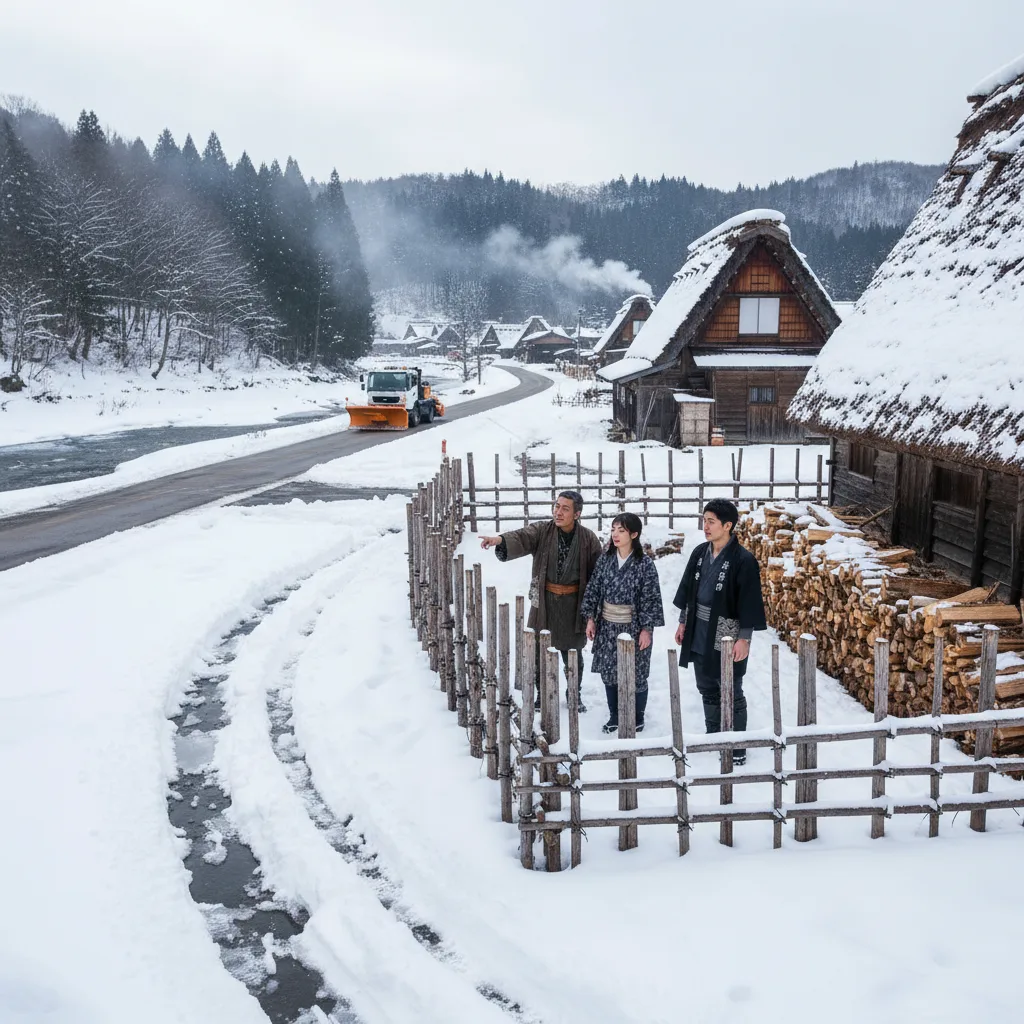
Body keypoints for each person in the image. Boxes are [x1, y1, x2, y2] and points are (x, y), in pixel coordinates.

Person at [480, 490, 602, 710]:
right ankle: (541, 695)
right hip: (544, 602)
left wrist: (593, 610)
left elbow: (598, 574)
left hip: (574, 605)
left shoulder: (588, 539)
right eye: (556, 506)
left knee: (573, 652)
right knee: (538, 652)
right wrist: (499, 540)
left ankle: (574, 694)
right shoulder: (542, 531)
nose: (558, 512)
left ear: (577, 514)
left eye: (565, 508)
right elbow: (522, 536)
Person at [673, 498, 766, 765]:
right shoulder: (700, 553)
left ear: (728, 525)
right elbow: (689, 592)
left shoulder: (743, 559)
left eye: (711, 522)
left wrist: (744, 638)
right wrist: (682, 622)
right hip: (698, 627)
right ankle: (713, 734)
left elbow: (749, 602)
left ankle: (737, 744)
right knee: (705, 685)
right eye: (704, 520)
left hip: (727, 630)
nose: (706, 526)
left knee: (731, 687)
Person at [581, 512, 664, 734]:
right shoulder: (605, 560)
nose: (615, 535)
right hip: (607, 624)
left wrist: (647, 629)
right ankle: (615, 715)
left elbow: (651, 598)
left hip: (634, 625)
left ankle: (637, 716)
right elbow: (593, 589)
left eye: (622, 530)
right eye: (613, 529)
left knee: (637, 672)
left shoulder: (644, 564)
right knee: (609, 671)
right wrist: (590, 618)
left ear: (634, 534)